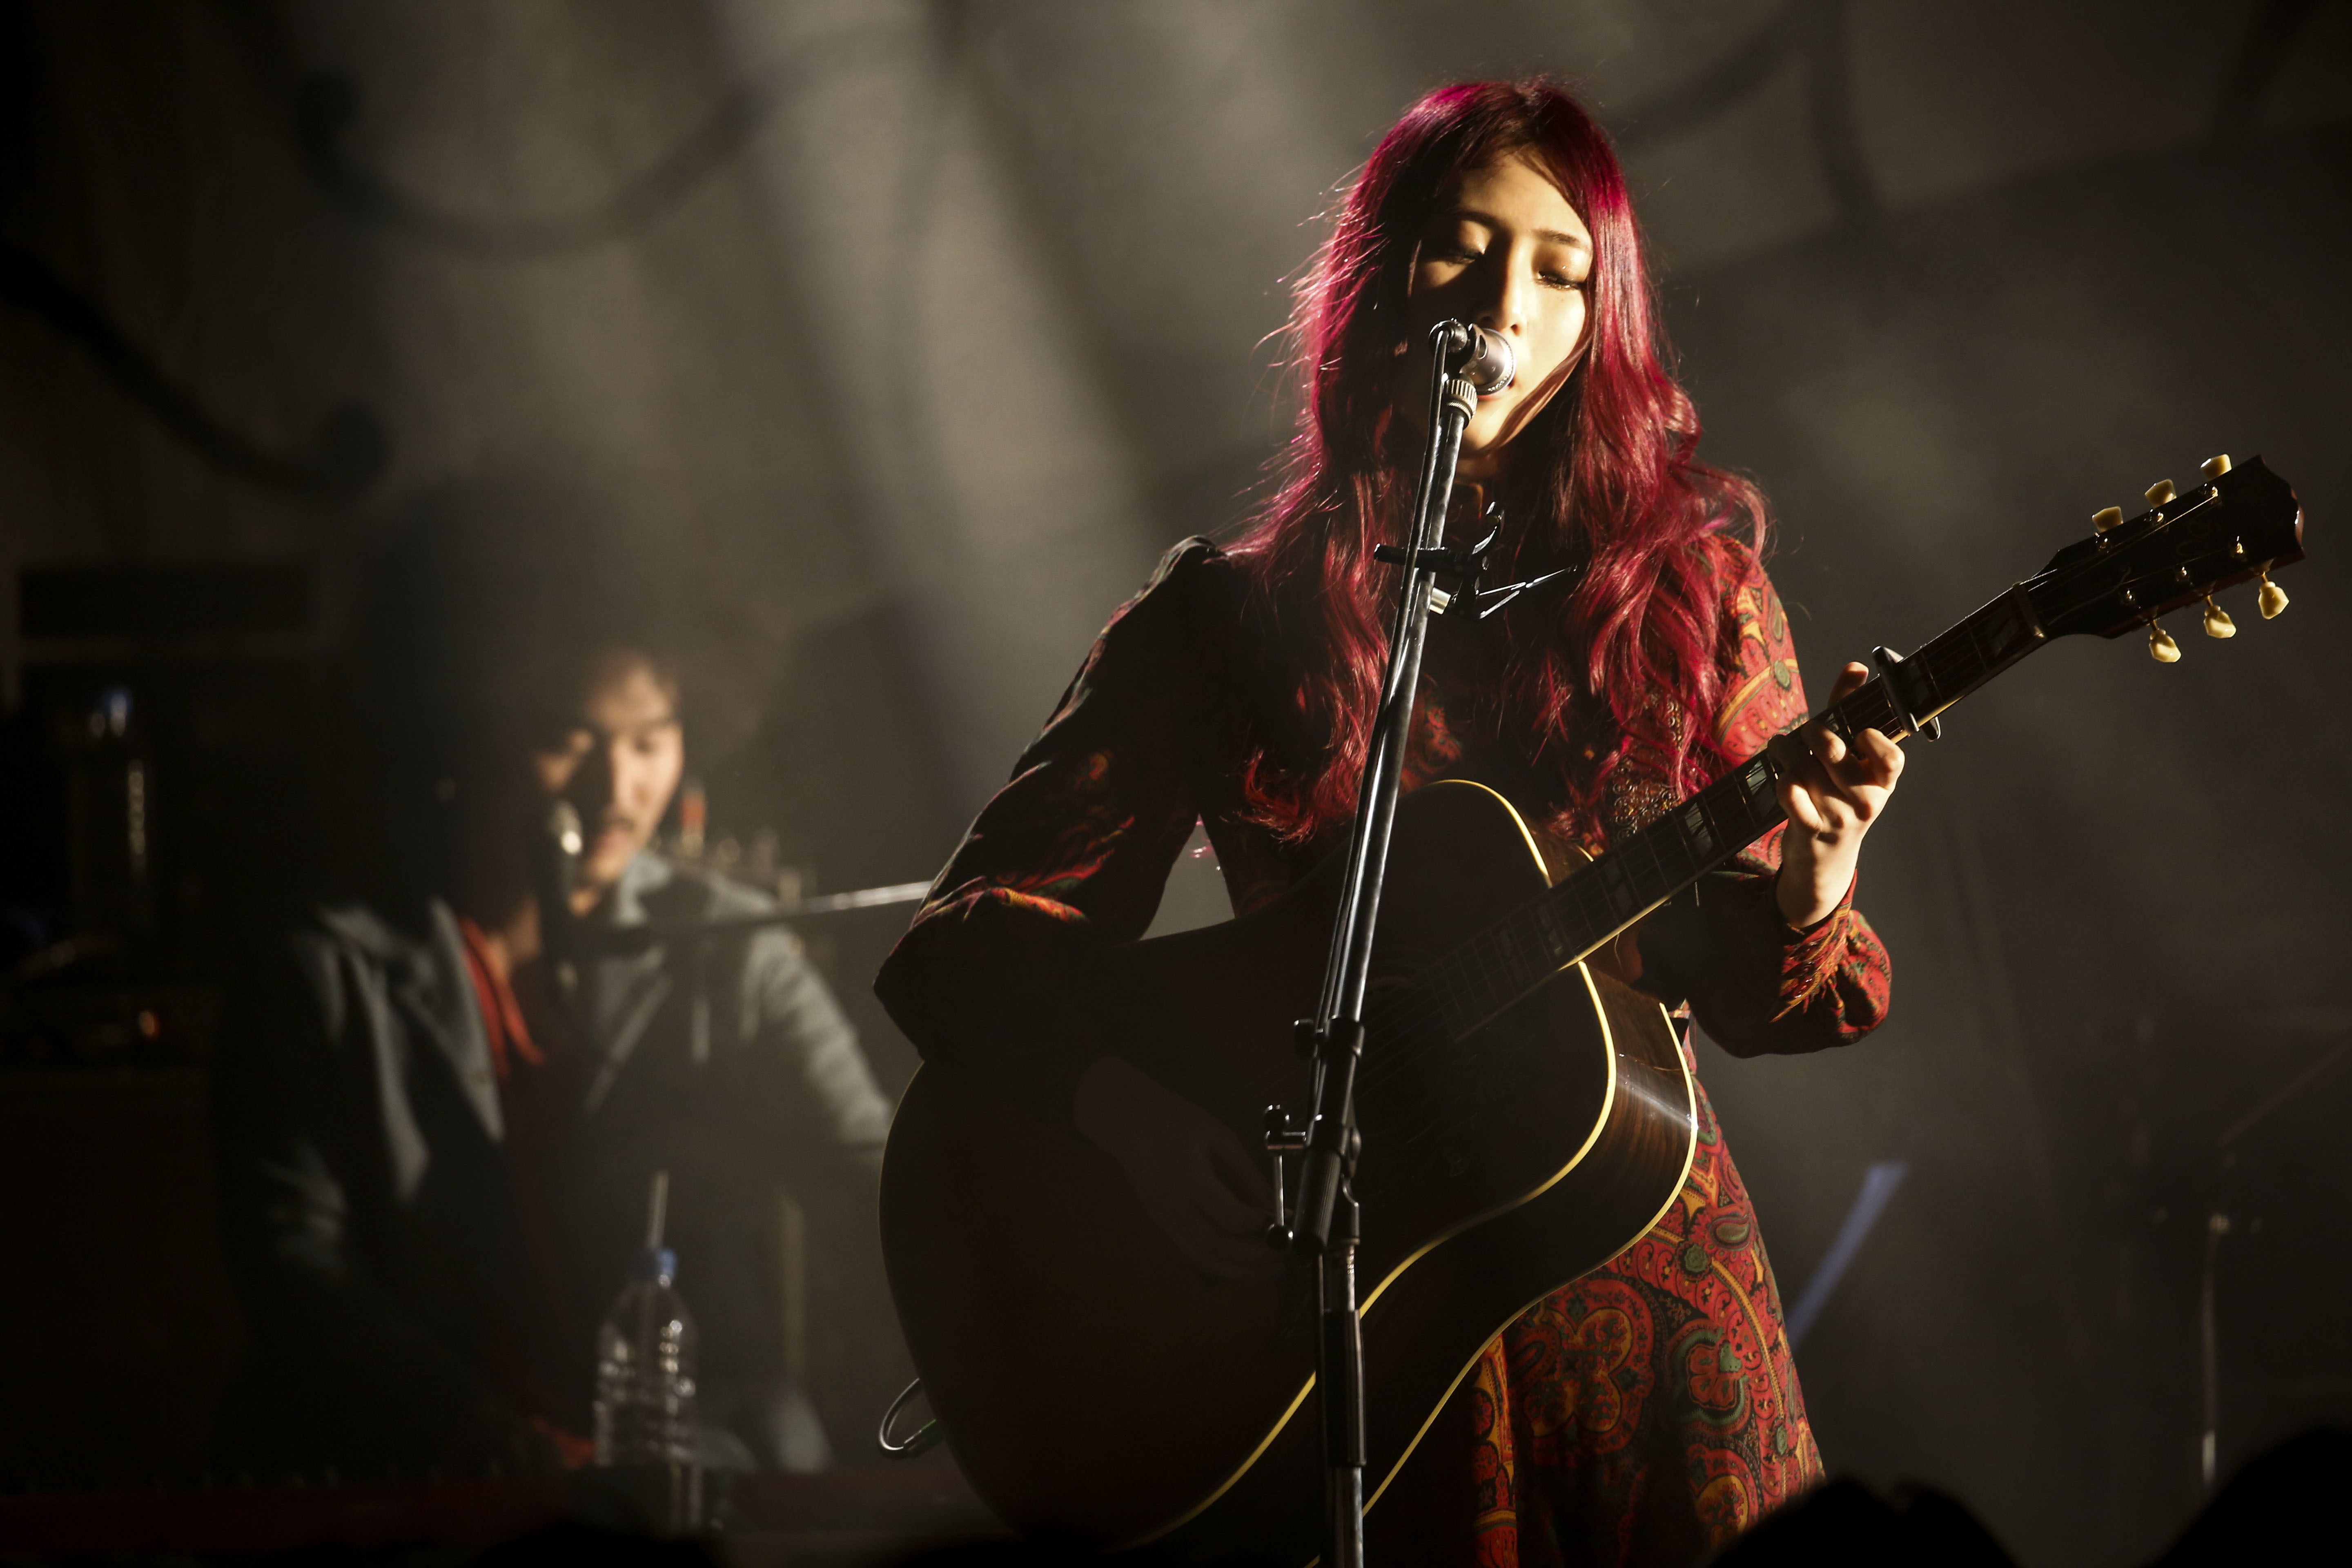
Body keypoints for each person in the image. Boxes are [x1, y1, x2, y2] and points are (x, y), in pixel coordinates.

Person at [875, 80, 1900, 1564]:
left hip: (1642, 1299)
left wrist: (1812, 885)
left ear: (1599, 323)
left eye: (1560, 272)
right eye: (1463, 250)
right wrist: (1131, 1114)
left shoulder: (1691, 597)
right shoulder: (1222, 627)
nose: (1505, 302)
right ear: (1379, 281)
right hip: (1350, 1331)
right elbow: (962, 949)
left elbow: (1783, 998)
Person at [211, 495, 891, 1477]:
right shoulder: (319, 969)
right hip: (402, 1486)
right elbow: (296, 1274)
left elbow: (871, 1176)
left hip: (691, 1469)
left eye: (652, 740)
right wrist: (494, 1446)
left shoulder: (729, 950)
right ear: (457, 727)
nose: (618, 788)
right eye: (569, 738)